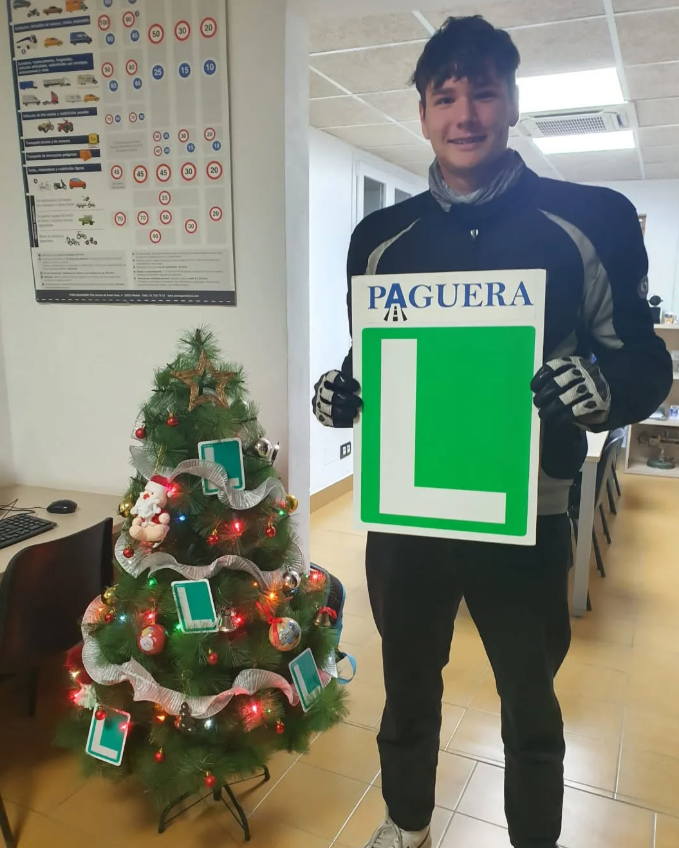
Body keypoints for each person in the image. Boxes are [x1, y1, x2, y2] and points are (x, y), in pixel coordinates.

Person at [312, 15, 673, 848]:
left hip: (527, 509)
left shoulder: (590, 219)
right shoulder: (379, 239)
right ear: (422, 113)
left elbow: (644, 363)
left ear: (511, 103)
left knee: (528, 702)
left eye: (482, 93)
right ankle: (407, 824)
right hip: (408, 514)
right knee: (407, 685)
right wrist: (343, 392)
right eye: (445, 97)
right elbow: (373, 353)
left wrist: (599, 391)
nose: (464, 114)